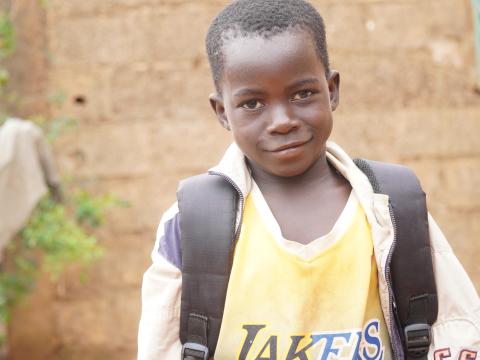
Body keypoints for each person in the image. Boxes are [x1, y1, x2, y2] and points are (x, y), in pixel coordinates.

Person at [137, 1, 480, 359]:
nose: (282, 120)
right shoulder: (192, 225)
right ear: (223, 112)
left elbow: (457, 333)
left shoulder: (392, 210)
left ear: (331, 90)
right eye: (253, 103)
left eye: (302, 94)